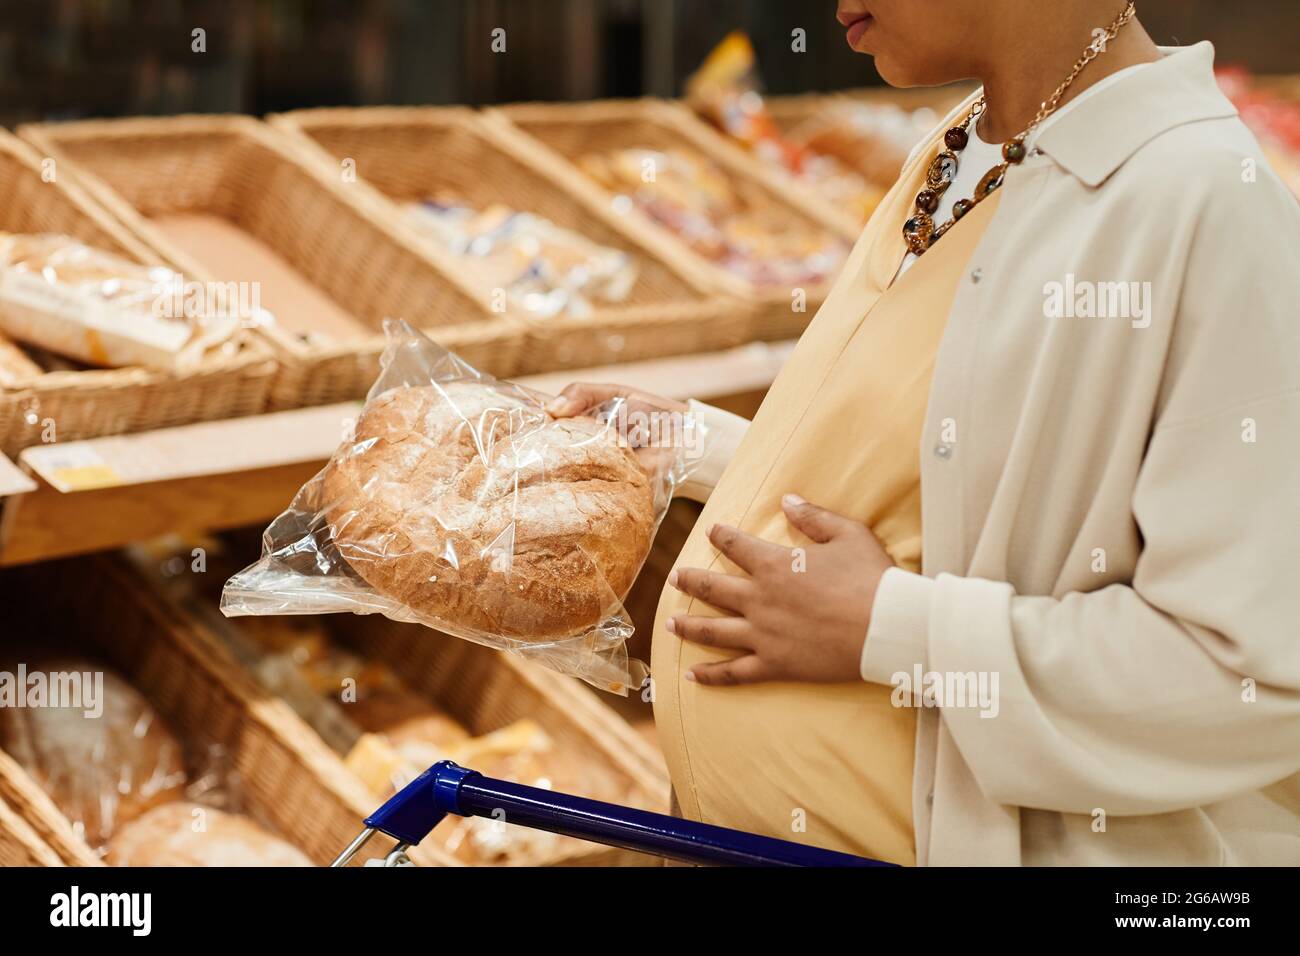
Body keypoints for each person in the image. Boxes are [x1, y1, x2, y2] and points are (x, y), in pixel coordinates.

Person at [550, 0, 1300, 865]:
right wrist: (703, 447)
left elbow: (1257, 680)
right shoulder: (967, 146)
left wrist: (898, 632)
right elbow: (941, 477)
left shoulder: (1208, 206)